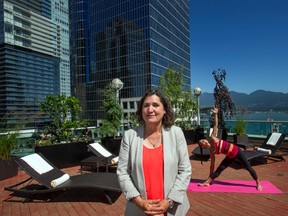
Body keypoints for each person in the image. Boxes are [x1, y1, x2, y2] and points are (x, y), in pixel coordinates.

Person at [117, 90, 192, 216]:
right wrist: (139, 201)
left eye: (156, 105)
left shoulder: (176, 133)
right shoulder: (129, 136)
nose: (150, 109)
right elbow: (123, 173)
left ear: (164, 110)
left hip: (172, 208)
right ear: (141, 110)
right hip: (139, 209)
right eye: (146, 105)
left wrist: (169, 201)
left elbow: (185, 170)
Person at [198, 107, 262, 191]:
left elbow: (215, 126)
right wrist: (209, 179)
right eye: (201, 142)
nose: (203, 141)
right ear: (203, 146)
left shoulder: (213, 138)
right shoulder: (211, 151)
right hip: (230, 156)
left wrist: (216, 114)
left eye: (203, 139)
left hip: (237, 151)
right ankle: (207, 182)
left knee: (248, 167)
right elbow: (212, 166)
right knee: (219, 169)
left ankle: (258, 182)